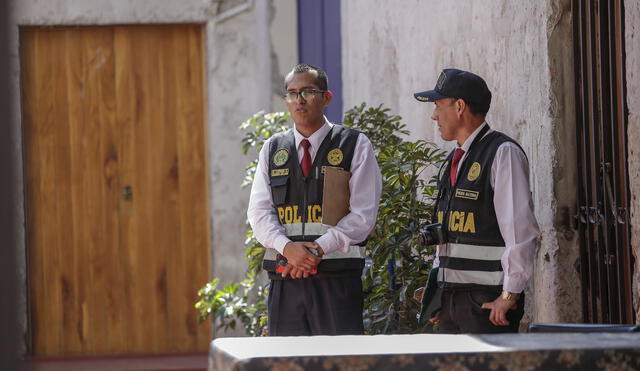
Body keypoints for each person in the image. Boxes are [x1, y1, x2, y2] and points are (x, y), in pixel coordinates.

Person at [247, 63, 382, 336]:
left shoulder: (354, 144)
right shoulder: (273, 149)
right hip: (285, 278)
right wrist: (289, 249)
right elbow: (259, 213)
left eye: (308, 92)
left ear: (326, 97)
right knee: (286, 363)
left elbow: (363, 215)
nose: (299, 100)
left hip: (337, 279)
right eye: (292, 93)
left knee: (340, 363)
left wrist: (316, 250)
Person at [414, 68, 539, 333]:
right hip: (451, 301)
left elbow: (520, 232)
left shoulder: (502, 154)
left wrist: (509, 295)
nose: (434, 116)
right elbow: (446, 235)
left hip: (486, 304)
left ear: (459, 106)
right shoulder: (454, 159)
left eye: (438, 106)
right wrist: (436, 294)